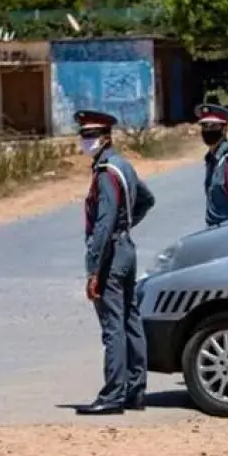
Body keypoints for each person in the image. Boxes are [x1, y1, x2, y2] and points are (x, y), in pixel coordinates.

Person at [74, 109, 155, 416]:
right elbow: (147, 199)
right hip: (127, 249)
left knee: (113, 326)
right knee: (130, 321)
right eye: (84, 136)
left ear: (106, 138)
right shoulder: (124, 166)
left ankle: (113, 395)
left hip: (111, 253)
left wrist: (93, 269)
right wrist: (129, 223)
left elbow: (103, 224)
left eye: (91, 136)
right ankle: (136, 390)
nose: (87, 141)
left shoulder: (107, 172)